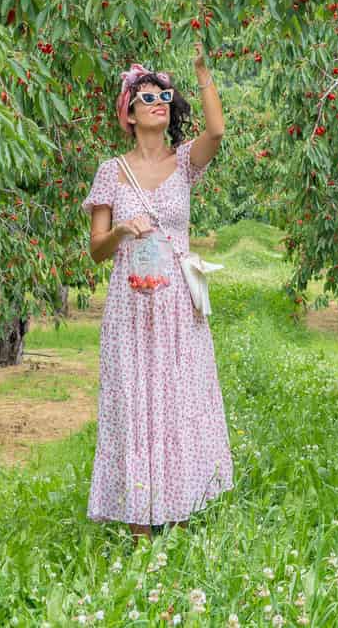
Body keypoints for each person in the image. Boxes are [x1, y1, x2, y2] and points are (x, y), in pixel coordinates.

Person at [82, 38, 234, 536]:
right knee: (134, 404)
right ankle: (138, 524)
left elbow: (217, 129)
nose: (158, 105)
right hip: (130, 306)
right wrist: (124, 230)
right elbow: (96, 248)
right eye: (147, 97)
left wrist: (203, 73)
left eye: (165, 98)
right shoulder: (112, 172)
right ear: (129, 111)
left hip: (175, 304)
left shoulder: (184, 164)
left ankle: (181, 508)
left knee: (178, 403)